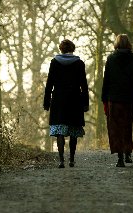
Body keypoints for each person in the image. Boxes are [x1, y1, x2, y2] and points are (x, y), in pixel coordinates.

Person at [101, 34, 133, 167]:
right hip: (129, 99)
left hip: (114, 99)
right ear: (128, 44)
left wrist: (104, 99)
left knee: (115, 127)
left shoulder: (110, 59)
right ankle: (127, 153)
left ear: (116, 44)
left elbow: (106, 81)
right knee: (127, 126)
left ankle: (120, 157)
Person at [43, 39, 89, 168]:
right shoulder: (79, 63)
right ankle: (72, 159)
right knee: (73, 130)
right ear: (72, 49)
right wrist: (85, 103)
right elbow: (84, 85)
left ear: (61, 49)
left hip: (58, 100)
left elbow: (49, 84)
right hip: (75, 99)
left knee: (60, 131)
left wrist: (46, 102)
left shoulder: (54, 62)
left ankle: (61, 160)